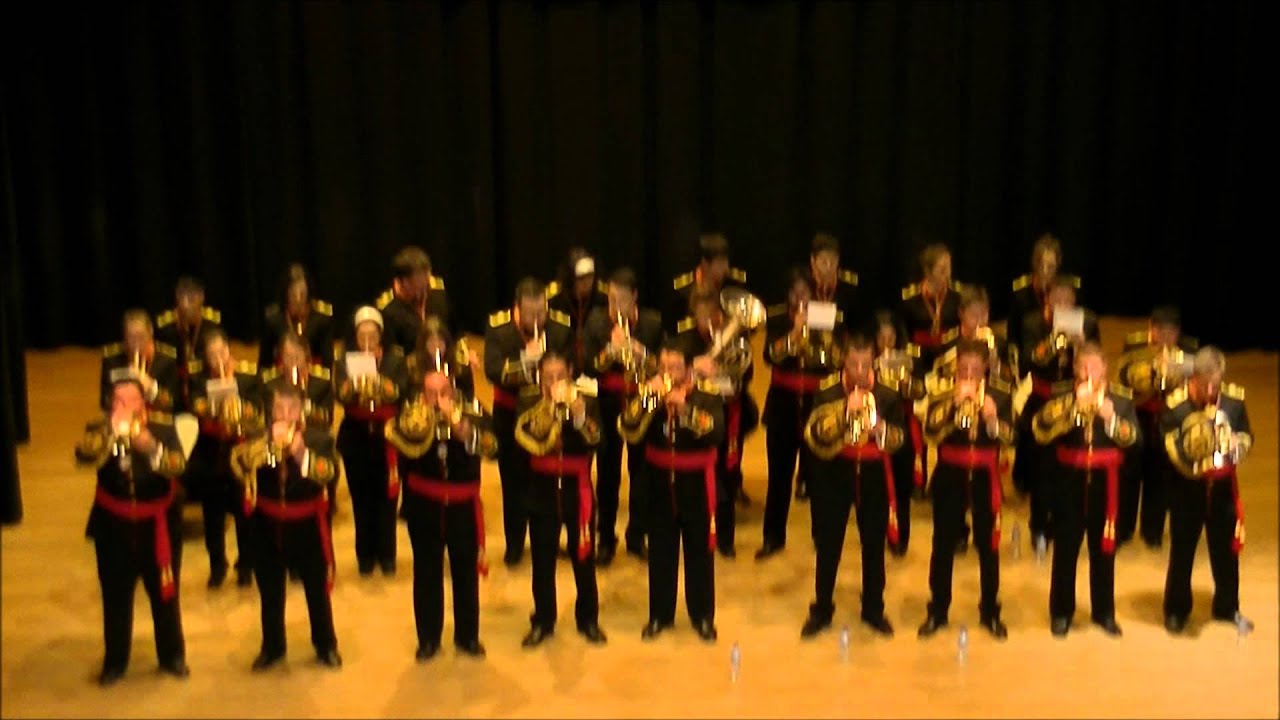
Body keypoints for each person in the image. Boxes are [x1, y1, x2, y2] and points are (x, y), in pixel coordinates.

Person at [74, 380, 189, 686]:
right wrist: (109, 434)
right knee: (115, 597)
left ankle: (172, 656)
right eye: (118, 402)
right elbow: (83, 456)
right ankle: (115, 661)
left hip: (158, 530)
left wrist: (150, 447)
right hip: (113, 530)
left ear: (143, 404)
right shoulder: (99, 428)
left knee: (165, 595)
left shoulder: (164, 428)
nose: (124, 407)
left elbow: (177, 467)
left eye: (131, 401)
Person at [385, 370, 497, 661]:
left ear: (453, 391)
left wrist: (464, 429)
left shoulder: (472, 409)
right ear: (423, 395)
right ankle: (429, 639)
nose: (438, 400)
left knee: (465, 573)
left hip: (462, 506)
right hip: (425, 506)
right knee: (426, 573)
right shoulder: (412, 415)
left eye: (443, 392)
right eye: (431, 394)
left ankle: (467, 637)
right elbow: (396, 442)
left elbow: (493, 447)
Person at [231, 383, 342, 671]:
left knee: (316, 591)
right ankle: (273, 648)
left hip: (307, 525)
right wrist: (265, 443)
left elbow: (327, 473)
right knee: (270, 591)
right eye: (279, 409)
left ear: (302, 410)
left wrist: (300, 452)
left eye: (291, 409)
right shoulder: (258, 436)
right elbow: (240, 466)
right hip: (267, 525)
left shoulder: (320, 439)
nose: (285, 414)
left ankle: (326, 645)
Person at [800, 334, 905, 639]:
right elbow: (814, 434)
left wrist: (880, 429)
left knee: (873, 544)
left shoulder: (887, 394)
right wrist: (843, 412)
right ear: (843, 361)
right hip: (835, 472)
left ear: (874, 361)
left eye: (865, 363)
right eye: (853, 363)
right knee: (828, 544)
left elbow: (900, 441)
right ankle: (821, 608)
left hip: (873, 474)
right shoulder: (827, 391)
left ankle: (873, 608)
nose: (859, 370)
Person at [620, 340, 724, 642]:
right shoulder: (648, 394)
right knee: (661, 552)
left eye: (675, 368)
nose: (668, 373)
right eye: (663, 367)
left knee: (699, 553)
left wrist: (687, 411)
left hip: (696, 485)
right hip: (659, 482)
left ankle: (702, 615)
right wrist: (646, 399)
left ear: (689, 369)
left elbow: (716, 432)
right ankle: (659, 615)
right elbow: (627, 426)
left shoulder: (707, 394)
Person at [1032, 342, 1139, 638]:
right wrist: (1070, 406)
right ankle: (1061, 613)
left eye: (1094, 366)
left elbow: (1134, 440)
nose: (1088, 372)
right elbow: (1040, 429)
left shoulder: (1122, 398)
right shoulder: (1062, 394)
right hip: (1070, 482)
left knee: (1103, 550)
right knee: (1066, 549)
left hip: (1107, 484)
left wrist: (1111, 418)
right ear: (1076, 370)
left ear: (1105, 368)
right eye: (1083, 367)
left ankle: (1103, 612)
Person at [918, 340, 1015, 640]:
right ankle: (938, 610)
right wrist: (951, 407)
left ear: (986, 367)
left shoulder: (1000, 393)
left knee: (989, 547)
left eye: (975, 369)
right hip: (950, 474)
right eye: (963, 369)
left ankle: (989, 611)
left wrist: (992, 420)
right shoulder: (942, 392)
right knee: (943, 545)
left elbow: (1013, 437)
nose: (969, 375)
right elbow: (930, 433)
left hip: (985, 477)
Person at [514, 353, 608, 647]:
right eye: (548, 377)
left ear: (570, 373)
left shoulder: (588, 399)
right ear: (539, 378)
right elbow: (522, 443)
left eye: (560, 376)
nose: (555, 382)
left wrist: (579, 416)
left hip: (575, 490)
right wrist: (547, 409)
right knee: (542, 561)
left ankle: (588, 619)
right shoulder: (529, 401)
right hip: (541, 489)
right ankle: (543, 620)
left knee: (583, 557)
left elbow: (600, 441)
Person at [1161, 347, 1254, 635]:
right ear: (1194, 378)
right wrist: (1196, 460)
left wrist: (1239, 446)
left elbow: (1247, 434)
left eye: (1216, 383)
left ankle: (1227, 607)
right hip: (1188, 489)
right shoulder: (1176, 406)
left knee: (1226, 552)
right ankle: (1176, 609)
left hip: (1224, 488)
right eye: (1205, 385)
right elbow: (1171, 451)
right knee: (1183, 551)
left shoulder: (1234, 402)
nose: (1212, 390)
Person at [483, 278, 574, 566]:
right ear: (516, 309)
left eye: (541, 313)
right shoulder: (499, 328)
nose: (537, 320)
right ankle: (514, 543)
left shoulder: (559, 328)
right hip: (509, 414)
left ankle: (547, 539)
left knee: (548, 479)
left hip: (547, 411)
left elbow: (573, 365)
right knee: (513, 481)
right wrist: (526, 362)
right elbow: (493, 371)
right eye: (530, 314)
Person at [581, 267, 664, 564]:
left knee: (641, 472)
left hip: (641, 404)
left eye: (623, 300)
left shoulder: (652, 324)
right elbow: (588, 368)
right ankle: (605, 537)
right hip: (607, 405)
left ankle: (636, 534)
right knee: (607, 473)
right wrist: (610, 352)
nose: (617, 307)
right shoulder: (596, 322)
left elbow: (665, 368)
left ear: (635, 298)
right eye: (612, 300)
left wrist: (644, 356)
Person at [758, 268, 839, 561]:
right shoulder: (778, 316)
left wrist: (821, 335)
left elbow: (837, 359)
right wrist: (794, 334)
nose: (800, 298)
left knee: (819, 477)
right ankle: (772, 537)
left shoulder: (826, 314)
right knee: (779, 476)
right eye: (795, 293)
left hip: (817, 404)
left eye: (805, 292)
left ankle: (823, 538)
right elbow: (771, 356)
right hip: (782, 404)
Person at [673, 289, 759, 558]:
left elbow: (744, 377)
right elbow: (673, 376)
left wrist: (721, 376)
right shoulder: (683, 342)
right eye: (702, 315)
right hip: (696, 416)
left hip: (728, 415)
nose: (708, 320)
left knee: (728, 477)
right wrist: (692, 369)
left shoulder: (735, 342)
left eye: (713, 315)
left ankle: (726, 538)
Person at [1016, 276, 1100, 550]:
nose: (1063, 305)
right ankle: (1039, 526)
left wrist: (1082, 346)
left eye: (1068, 300)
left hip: (1075, 400)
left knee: (1070, 467)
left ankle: (1067, 524)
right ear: (1047, 300)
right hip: (1042, 400)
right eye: (1057, 299)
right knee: (1042, 470)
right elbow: (1027, 361)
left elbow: (1097, 361)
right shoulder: (1032, 323)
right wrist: (1054, 342)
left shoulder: (1087, 320)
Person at [1114, 306, 1198, 548]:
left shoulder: (1189, 349)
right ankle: (1123, 528)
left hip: (1167, 417)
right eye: (1160, 331)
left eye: (1170, 333)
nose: (1164, 338)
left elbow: (1192, 389)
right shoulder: (1135, 345)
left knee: (1159, 475)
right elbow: (1122, 379)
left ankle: (1152, 531)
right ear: (1151, 328)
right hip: (1138, 414)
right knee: (1129, 473)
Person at [188, 328, 264, 588]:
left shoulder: (248, 374)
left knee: (245, 513)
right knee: (213, 515)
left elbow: (257, 409)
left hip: (241, 451)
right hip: (212, 453)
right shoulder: (199, 379)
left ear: (230, 351)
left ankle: (246, 565)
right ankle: (217, 565)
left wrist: (238, 405)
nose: (218, 359)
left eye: (222, 352)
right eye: (212, 355)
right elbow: (195, 407)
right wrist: (215, 405)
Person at [335, 307, 407, 576]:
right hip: (356, 435)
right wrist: (353, 386)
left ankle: (387, 555)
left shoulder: (395, 359)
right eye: (362, 335)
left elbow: (401, 390)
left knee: (387, 499)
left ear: (381, 335)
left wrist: (380, 384)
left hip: (387, 435)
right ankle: (364, 555)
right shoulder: (343, 360)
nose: (367, 340)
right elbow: (339, 395)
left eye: (372, 334)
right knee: (360, 498)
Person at [871, 310, 927, 555]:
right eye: (881, 337)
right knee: (877, 487)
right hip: (874, 427)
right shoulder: (865, 360)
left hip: (902, 426)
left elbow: (922, 391)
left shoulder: (911, 356)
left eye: (891, 337)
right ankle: (877, 532)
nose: (886, 342)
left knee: (902, 487)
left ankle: (901, 536)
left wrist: (907, 384)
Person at [1006, 233, 1081, 358]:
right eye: (1041, 266)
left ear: (1058, 264)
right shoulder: (1021, 295)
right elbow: (1013, 337)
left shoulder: (1068, 291)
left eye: (1050, 267)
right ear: (1034, 264)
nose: (1045, 272)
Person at [154, 277, 222, 410]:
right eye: (181, 298)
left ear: (201, 298)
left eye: (191, 300)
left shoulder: (212, 325)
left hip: (201, 384)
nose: (185, 305)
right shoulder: (165, 327)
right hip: (174, 384)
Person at [931, 285, 1018, 386]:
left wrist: (995, 364)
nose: (980, 321)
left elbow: (1013, 381)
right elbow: (935, 379)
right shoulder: (947, 343)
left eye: (984, 314)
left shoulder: (999, 344)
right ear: (961, 313)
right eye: (974, 315)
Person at [898, 243, 963, 374]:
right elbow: (903, 333)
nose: (948, 274)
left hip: (949, 359)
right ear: (928, 272)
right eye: (942, 269)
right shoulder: (911, 298)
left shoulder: (957, 296)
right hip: (918, 360)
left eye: (949, 268)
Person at [100, 309, 180, 414]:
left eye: (141, 337)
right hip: (123, 417)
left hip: (155, 419)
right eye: (131, 337)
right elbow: (105, 401)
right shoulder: (112, 359)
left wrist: (152, 389)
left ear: (150, 331)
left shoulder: (167, 360)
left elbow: (172, 404)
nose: (136, 343)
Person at [666, 232, 748, 333]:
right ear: (705, 264)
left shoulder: (733, 283)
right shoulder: (684, 289)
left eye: (726, 261)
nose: (726, 268)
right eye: (720, 263)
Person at [376, 246, 451, 354]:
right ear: (402, 282)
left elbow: (454, 331)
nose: (421, 291)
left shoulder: (438, 294)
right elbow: (391, 356)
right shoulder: (388, 309)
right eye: (414, 285)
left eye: (426, 279)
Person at [259, 263, 335, 370]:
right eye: (293, 295)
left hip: (313, 376)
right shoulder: (273, 318)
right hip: (282, 375)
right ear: (286, 294)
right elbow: (264, 364)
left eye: (302, 294)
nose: (298, 299)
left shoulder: (321, 318)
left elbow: (328, 363)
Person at [547, 247, 609, 371]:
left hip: (594, 357)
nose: (587, 282)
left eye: (590, 277)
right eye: (581, 278)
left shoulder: (603, 297)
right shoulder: (554, 299)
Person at [807, 232, 868, 340]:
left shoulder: (849, 286)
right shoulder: (805, 283)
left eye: (833, 261)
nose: (829, 267)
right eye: (824, 261)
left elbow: (857, 325)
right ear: (813, 261)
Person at [405, 316, 478, 399]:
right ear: (423, 344)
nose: (436, 347)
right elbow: (410, 397)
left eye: (440, 341)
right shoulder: (413, 365)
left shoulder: (460, 365)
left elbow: (468, 396)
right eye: (431, 342)